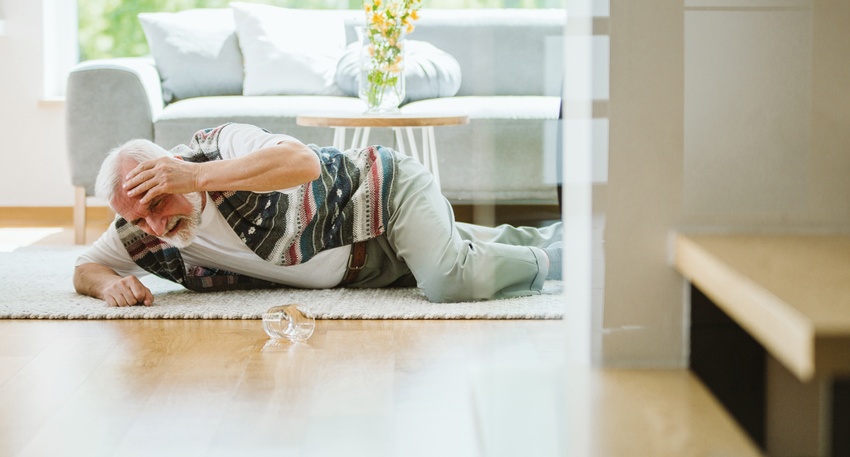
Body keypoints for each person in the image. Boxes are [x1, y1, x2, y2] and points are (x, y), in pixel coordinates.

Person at [74, 123, 563, 307]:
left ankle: (560, 263)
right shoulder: (147, 230)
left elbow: (302, 162)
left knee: (449, 279)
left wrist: (196, 179)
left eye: (157, 202)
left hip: (383, 195)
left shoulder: (217, 148)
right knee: (477, 245)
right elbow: (86, 267)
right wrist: (104, 283)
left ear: (173, 167)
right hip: (364, 264)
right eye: (139, 221)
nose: (155, 227)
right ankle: (566, 238)